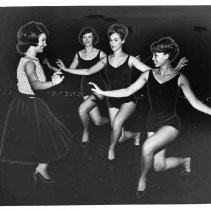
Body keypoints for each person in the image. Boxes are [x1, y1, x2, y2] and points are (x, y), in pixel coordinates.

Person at [90, 36, 211, 199]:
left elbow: (195, 102)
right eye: (153, 54)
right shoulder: (148, 74)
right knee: (158, 166)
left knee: (146, 148)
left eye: (156, 54)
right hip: (152, 123)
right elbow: (127, 91)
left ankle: (142, 179)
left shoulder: (180, 78)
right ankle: (184, 161)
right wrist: (103, 92)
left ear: (167, 55)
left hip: (171, 124)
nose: (152, 58)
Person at [56, 24, 187, 160]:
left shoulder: (131, 59)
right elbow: (88, 71)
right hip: (112, 98)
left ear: (123, 41)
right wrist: (66, 69)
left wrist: (175, 68)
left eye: (116, 40)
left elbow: (152, 72)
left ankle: (111, 148)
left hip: (128, 98)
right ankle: (135, 135)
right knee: (120, 135)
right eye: (111, 40)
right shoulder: (105, 59)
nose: (112, 43)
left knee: (117, 124)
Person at [0, 21, 72, 184]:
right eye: (43, 40)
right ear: (33, 41)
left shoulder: (31, 59)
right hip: (28, 105)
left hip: (27, 103)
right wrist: (53, 83)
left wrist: (53, 77)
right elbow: (36, 85)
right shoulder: (30, 63)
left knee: (45, 137)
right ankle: (37, 171)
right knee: (46, 137)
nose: (45, 44)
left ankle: (40, 168)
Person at [43, 26, 108, 146]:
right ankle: (113, 121)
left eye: (89, 37)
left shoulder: (101, 54)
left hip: (98, 87)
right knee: (98, 121)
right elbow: (69, 71)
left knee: (82, 109)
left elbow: (89, 70)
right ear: (81, 39)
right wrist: (52, 67)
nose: (87, 39)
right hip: (85, 88)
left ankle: (85, 131)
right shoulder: (78, 54)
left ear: (94, 38)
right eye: (84, 37)